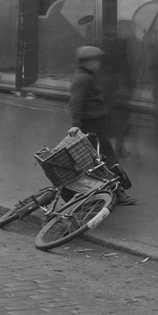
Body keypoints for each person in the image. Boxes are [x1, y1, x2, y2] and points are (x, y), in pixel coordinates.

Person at [68, 45, 135, 205]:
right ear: (84, 62)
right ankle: (117, 193)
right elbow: (76, 102)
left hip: (95, 124)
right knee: (105, 158)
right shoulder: (84, 78)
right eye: (93, 61)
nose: (97, 64)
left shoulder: (86, 76)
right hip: (90, 126)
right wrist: (76, 124)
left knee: (100, 159)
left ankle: (111, 191)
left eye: (98, 60)